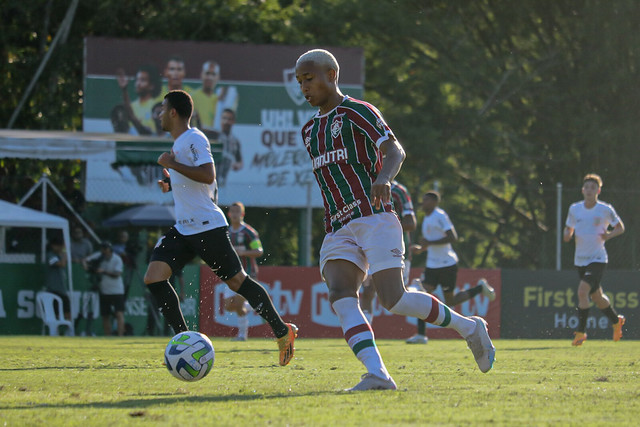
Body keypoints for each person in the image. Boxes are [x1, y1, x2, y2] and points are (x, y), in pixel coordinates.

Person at [295, 49, 495, 391]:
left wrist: (384, 178)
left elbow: (395, 150)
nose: (304, 88)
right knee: (341, 292)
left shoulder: (358, 112)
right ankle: (378, 375)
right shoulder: (309, 131)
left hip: (374, 218)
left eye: (309, 79)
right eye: (300, 82)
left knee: (393, 299)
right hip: (338, 227)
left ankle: (470, 327)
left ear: (331, 74)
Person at [143, 89, 297, 366]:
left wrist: (171, 164)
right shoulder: (181, 143)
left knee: (237, 282)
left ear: (174, 113)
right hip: (184, 228)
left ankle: (281, 330)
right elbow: (203, 185)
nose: (159, 114)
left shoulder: (193, 138)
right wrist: (171, 182)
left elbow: (208, 173)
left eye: (162, 109)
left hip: (206, 228)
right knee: (153, 277)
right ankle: (184, 341)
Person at [406, 190, 496, 344]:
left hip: (447, 264)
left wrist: (429, 243)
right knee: (422, 294)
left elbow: (453, 237)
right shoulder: (427, 219)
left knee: (451, 301)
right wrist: (421, 249)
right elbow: (431, 242)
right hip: (432, 265)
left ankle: (480, 289)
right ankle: (421, 335)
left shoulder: (439, 215)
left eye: (426, 200)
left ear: (434, 202)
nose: (423, 202)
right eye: (423, 200)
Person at [563, 173, 625, 346]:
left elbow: (620, 227)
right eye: (587, 187)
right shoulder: (575, 209)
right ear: (583, 190)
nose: (589, 190)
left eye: (593, 187)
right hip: (580, 260)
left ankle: (580, 332)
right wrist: (567, 234)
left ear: (598, 190)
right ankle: (615, 320)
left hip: (598, 258)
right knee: (597, 297)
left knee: (582, 292)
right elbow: (568, 229)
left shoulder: (605, 209)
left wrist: (609, 235)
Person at [360, 179, 417, 324]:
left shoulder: (398, 191)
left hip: (394, 247)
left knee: (398, 297)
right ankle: (366, 334)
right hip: (371, 246)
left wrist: (383, 227)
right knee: (367, 291)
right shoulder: (363, 186)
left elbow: (411, 223)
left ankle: (419, 291)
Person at [222, 201, 263, 341]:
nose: (234, 214)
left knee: (239, 303)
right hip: (230, 274)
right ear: (228, 214)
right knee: (228, 306)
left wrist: (244, 251)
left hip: (248, 273)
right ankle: (256, 305)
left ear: (242, 214)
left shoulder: (248, 232)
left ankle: (242, 335)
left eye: (237, 211)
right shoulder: (225, 232)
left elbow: (259, 251)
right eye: (232, 211)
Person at [84, 241, 126, 336]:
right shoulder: (99, 256)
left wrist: (103, 271)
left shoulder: (117, 259)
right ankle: (108, 336)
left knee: (119, 313)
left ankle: (120, 336)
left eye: (106, 249)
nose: (104, 251)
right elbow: (85, 260)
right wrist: (87, 267)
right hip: (104, 291)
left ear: (110, 250)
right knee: (105, 315)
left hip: (117, 291)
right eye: (102, 249)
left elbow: (117, 274)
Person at [116, 64, 162, 135]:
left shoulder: (156, 107)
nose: (138, 83)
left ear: (152, 86)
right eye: (137, 80)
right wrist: (124, 90)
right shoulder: (131, 106)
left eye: (143, 80)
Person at [44, 236, 73, 333]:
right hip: (54, 288)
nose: (60, 248)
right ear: (53, 246)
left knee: (67, 311)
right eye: (59, 246)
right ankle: (56, 331)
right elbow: (61, 264)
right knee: (56, 312)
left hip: (62, 289)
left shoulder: (59, 255)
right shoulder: (50, 255)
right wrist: (64, 253)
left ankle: (68, 331)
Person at [216, 109, 243, 186]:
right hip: (212, 182)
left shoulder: (235, 141)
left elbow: (239, 161)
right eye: (224, 118)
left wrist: (237, 165)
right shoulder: (214, 136)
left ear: (233, 121)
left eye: (229, 119)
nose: (226, 122)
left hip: (226, 182)